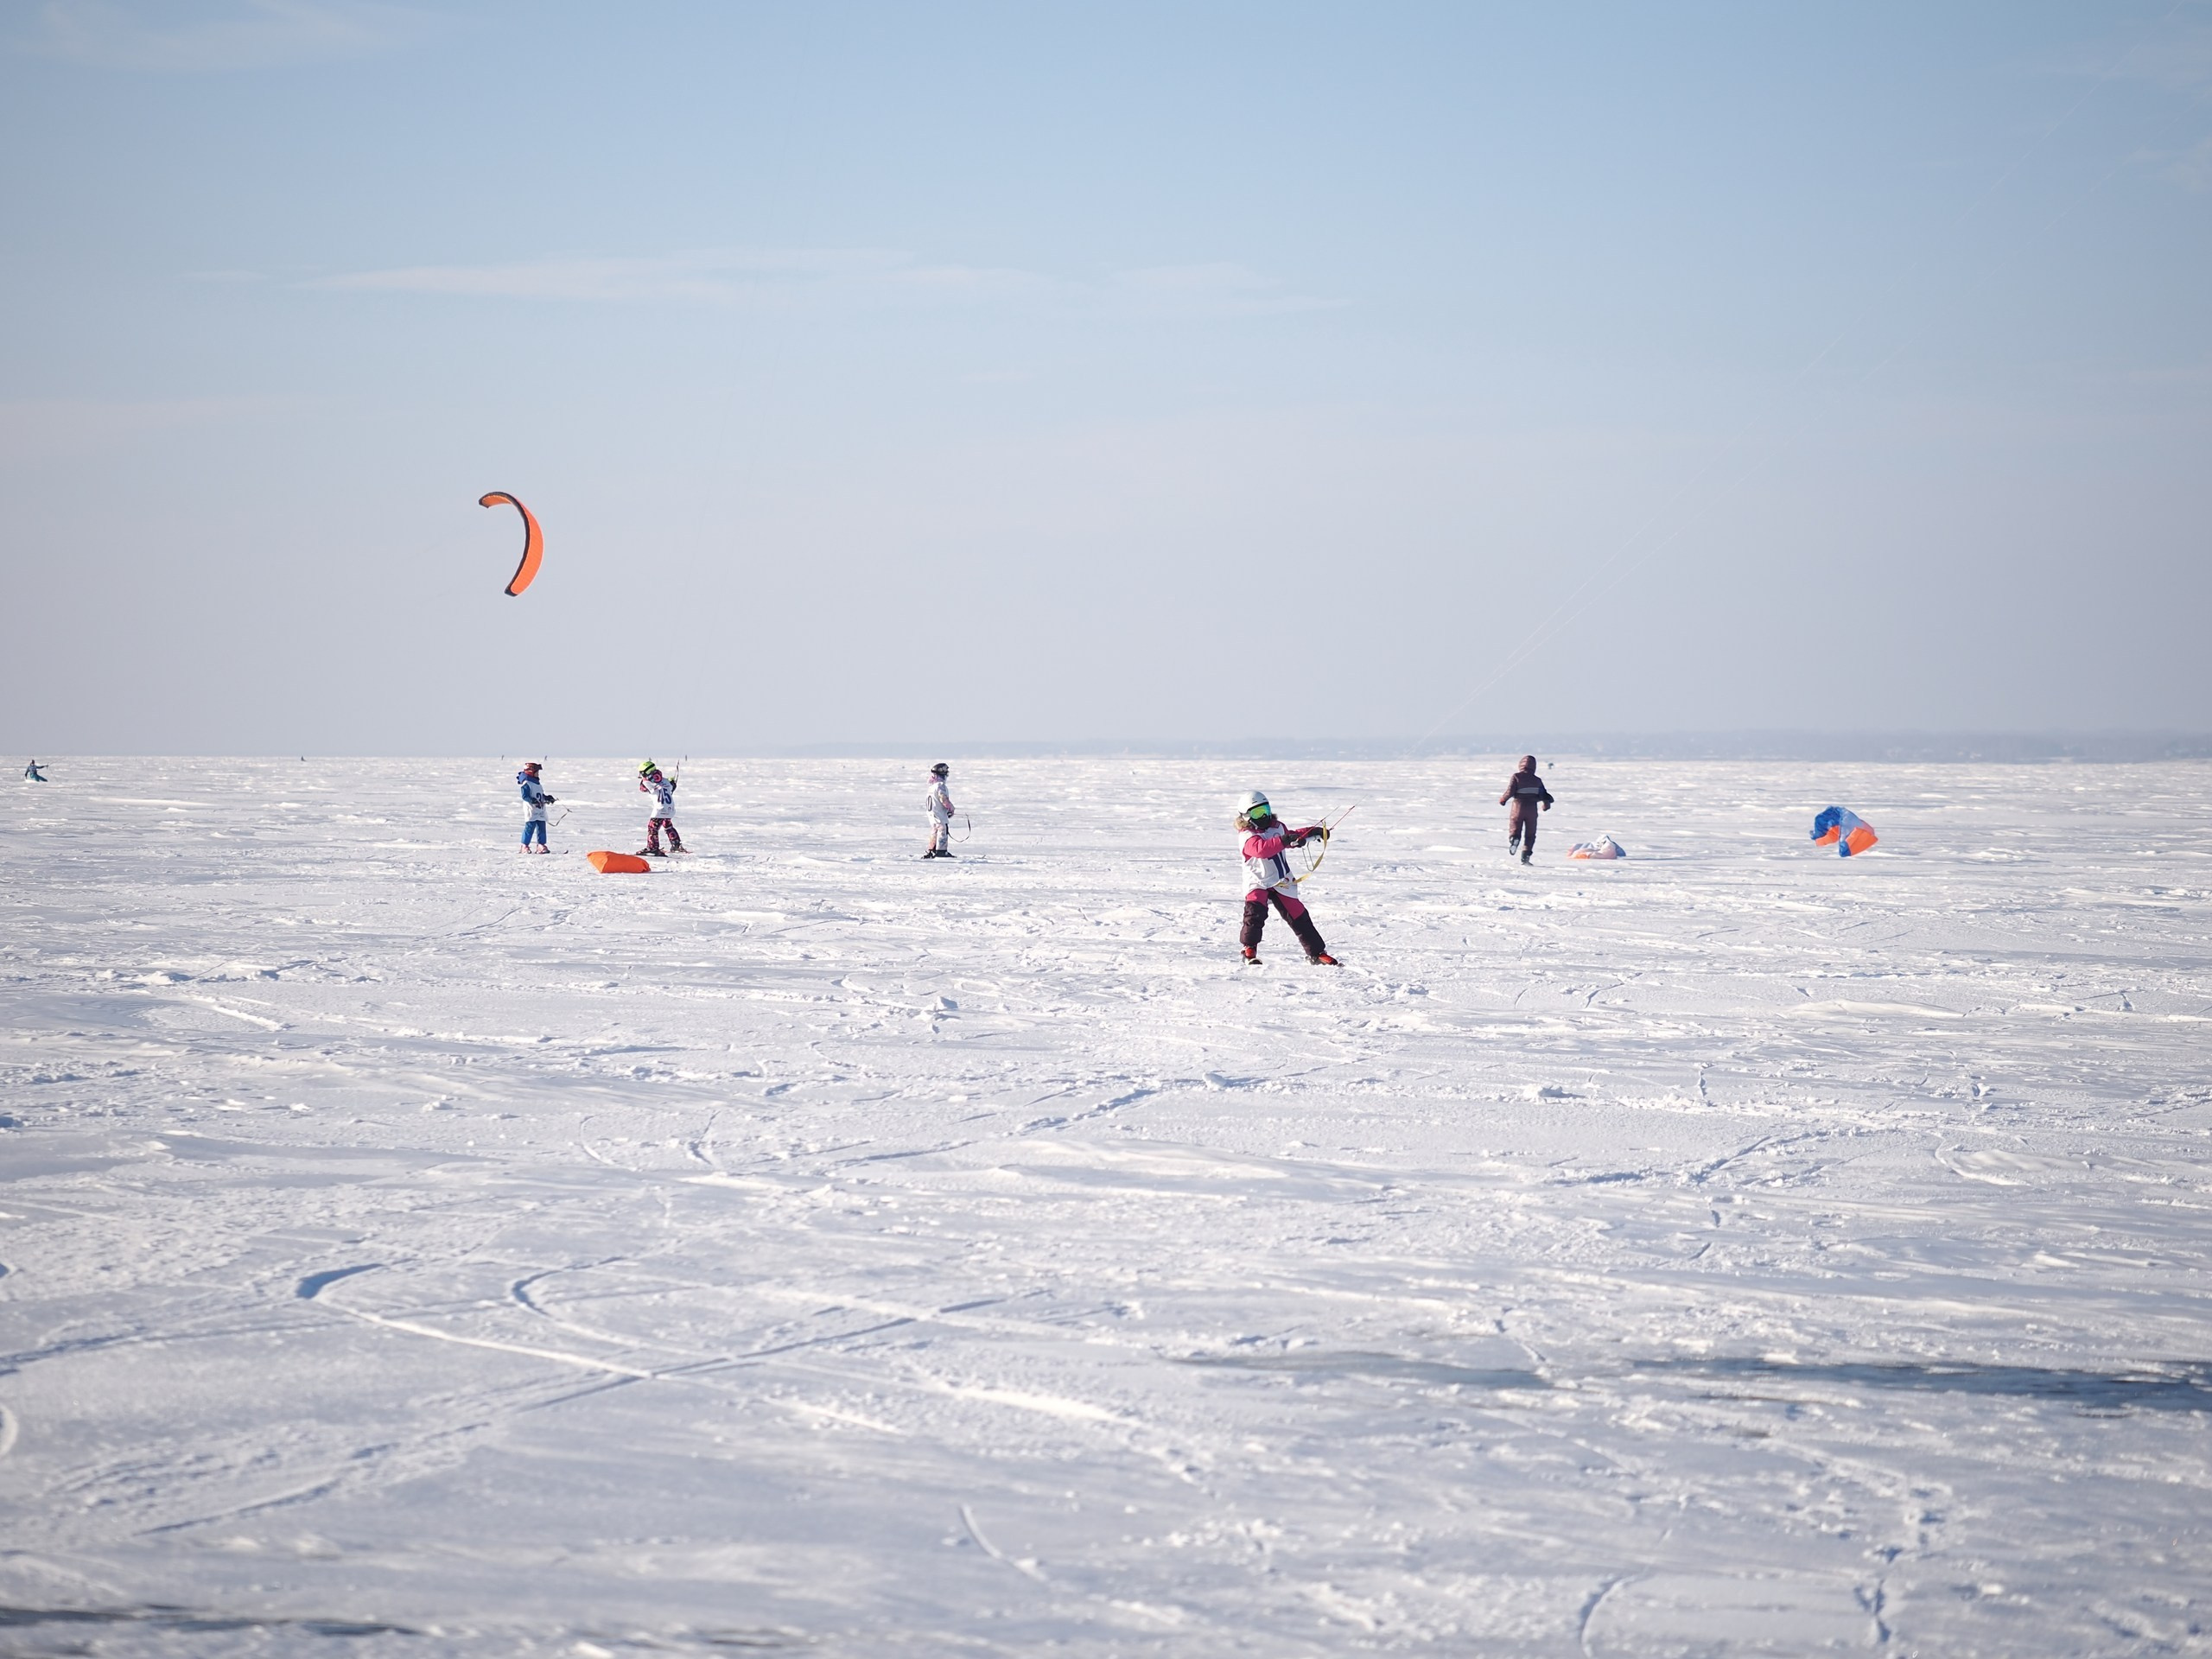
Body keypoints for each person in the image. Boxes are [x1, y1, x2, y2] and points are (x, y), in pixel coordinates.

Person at [1236, 791, 1338, 965]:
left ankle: (1317, 953)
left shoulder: (1278, 827)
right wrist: (1284, 841)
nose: (1265, 815)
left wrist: (1314, 833)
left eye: (1266, 810)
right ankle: (1249, 949)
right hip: (1258, 882)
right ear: (1246, 816)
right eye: (1258, 813)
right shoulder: (1247, 836)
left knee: (1300, 916)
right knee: (1255, 915)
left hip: (1281, 881)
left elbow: (1291, 836)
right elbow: (1261, 849)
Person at [1500, 754, 1553, 864]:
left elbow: (1510, 791)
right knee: (1530, 833)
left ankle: (1514, 838)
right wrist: (1546, 804)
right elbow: (1543, 794)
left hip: (1518, 806)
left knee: (1515, 825)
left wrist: (1503, 799)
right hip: (1532, 808)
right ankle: (1525, 857)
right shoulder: (1537, 780)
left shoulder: (1516, 777)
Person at [637, 761, 685, 856]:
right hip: (670, 809)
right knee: (667, 825)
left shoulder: (647, 782)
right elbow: (671, 786)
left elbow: (642, 788)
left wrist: (644, 780)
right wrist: (672, 783)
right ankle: (676, 845)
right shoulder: (666, 780)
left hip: (660, 809)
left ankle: (652, 848)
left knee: (652, 828)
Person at [517, 762, 555, 853]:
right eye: (537, 772)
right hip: (531, 811)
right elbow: (525, 796)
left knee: (542, 828)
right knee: (529, 828)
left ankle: (541, 845)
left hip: (540, 810)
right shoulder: (527, 783)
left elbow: (540, 795)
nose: (538, 774)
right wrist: (532, 800)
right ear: (530, 772)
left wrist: (547, 798)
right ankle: (524, 846)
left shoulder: (537, 783)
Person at [923, 762, 957, 859]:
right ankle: (941, 851)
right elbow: (943, 799)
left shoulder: (931, 787)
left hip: (932, 813)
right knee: (942, 829)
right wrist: (951, 808)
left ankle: (932, 850)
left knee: (934, 830)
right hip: (939, 814)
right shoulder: (940, 785)